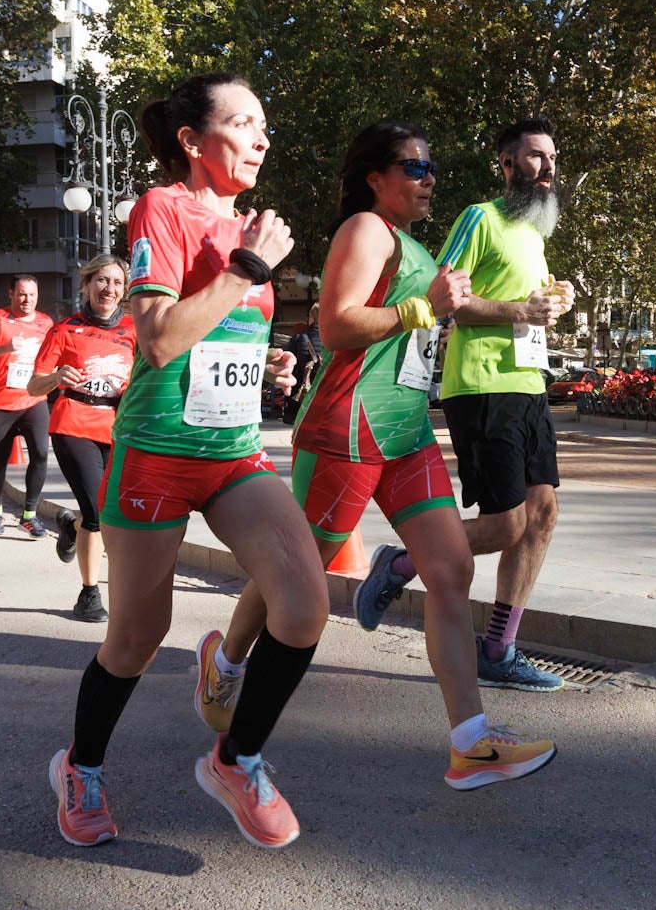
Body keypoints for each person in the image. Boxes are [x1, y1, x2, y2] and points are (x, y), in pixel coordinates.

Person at [208, 121, 557, 789]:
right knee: (298, 569)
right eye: (414, 168)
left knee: (450, 568)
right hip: (348, 426)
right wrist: (426, 308)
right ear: (376, 178)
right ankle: (225, 665)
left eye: (432, 168)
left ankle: (471, 740)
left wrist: (468, 306)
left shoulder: (414, 245)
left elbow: (426, 317)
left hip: (405, 428)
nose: (429, 179)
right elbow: (336, 324)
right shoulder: (364, 230)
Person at [48, 71, 326, 850]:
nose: (263, 137)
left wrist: (263, 362)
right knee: (138, 633)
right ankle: (82, 767)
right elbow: (162, 336)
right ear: (193, 141)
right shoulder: (162, 207)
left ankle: (237, 758)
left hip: (234, 451)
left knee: (304, 606)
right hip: (160, 451)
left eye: (265, 123)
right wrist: (247, 270)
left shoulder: (250, 227)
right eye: (244, 123)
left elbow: (220, 335)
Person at [423, 117, 575, 691]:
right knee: (505, 524)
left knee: (542, 517)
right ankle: (402, 562)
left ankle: (499, 648)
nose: (548, 168)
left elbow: (528, 305)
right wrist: (519, 311)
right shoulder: (478, 218)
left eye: (552, 158)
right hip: (482, 385)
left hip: (529, 384)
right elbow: (447, 299)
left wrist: (552, 302)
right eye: (536, 157)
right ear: (507, 165)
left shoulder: (535, 233)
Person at [28, 253, 135, 623]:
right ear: (87, 285)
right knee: (98, 511)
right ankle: (89, 594)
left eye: (117, 282)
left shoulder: (135, 330)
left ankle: (69, 526)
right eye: (102, 281)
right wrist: (57, 377)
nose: (110, 288)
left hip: (119, 428)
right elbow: (33, 385)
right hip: (73, 424)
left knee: (110, 513)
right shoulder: (64, 330)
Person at [0, 276, 54, 535]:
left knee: (41, 453)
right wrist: (4, 348)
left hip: (34, 399)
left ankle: (29, 514)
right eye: (21, 294)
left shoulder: (45, 322)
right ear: (11, 294)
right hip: (0, 402)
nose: (27, 299)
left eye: (31, 294)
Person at [281, 304, 321, 424]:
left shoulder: (299, 339)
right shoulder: (334, 341)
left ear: (312, 319)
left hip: (300, 395)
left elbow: (288, 366)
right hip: (324, 394)